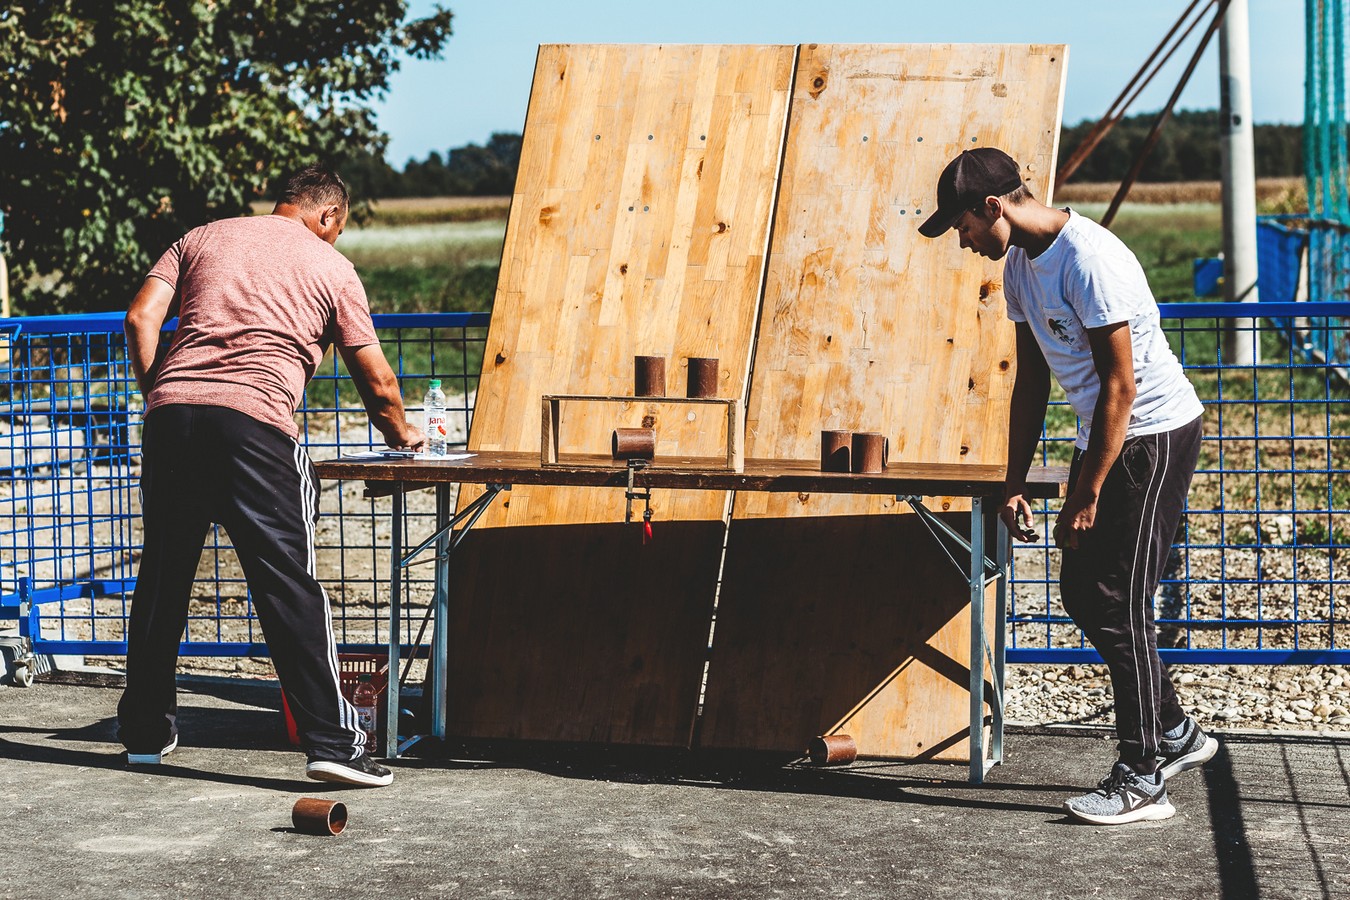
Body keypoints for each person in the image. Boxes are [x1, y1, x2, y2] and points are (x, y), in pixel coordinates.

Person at [919, 148, 1217, 825]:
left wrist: (1086, 495)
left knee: (1118, 595)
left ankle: (1144, 777)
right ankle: (1173, 731)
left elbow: (1121, 386)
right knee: (1084, 591)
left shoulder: (1090, 260)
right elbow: (1033, 382)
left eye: (962, 225)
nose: (962, 241)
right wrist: (1012, 481)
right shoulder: (1022, 268)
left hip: (1154, 435)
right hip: (1107, 439)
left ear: (992, 207)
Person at [118, 164, 424, 787]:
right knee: (289, 582)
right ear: (330, 216)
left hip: (171, 417)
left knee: (164, 573)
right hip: (254, 425)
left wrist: (163, 394)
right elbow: (378, 378)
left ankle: (145, 733)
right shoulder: (331, 265)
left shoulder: (201, 237)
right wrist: (405, 435)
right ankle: (333, 745)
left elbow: (139, 319)